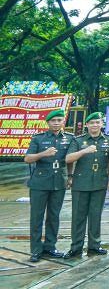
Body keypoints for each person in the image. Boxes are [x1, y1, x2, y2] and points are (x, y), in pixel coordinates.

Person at [24, 109, 74, 262]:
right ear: (48, 122)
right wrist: (43, 154)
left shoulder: (70, 138)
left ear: (62, 122)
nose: (56, 123)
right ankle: (36, 250)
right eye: (53, 121)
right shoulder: (38, 139)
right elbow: (27, 159)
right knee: (36, 217)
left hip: (59, 182)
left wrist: (70, 176)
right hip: (40, 182)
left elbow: (70, 160)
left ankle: (50, 247)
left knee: (54, 216)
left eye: (59, 120)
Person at [63, 112, 109, 258]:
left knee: (95, 215)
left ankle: (94, 245)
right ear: (87, 125)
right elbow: (68, 159)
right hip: (81, 183)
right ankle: (76, 247)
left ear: (102, 124)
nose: (95, 125)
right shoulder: (78, 141)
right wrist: (85, 151)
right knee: (78, 217)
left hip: (99, 183)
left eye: (97, 122)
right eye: (91, 123)